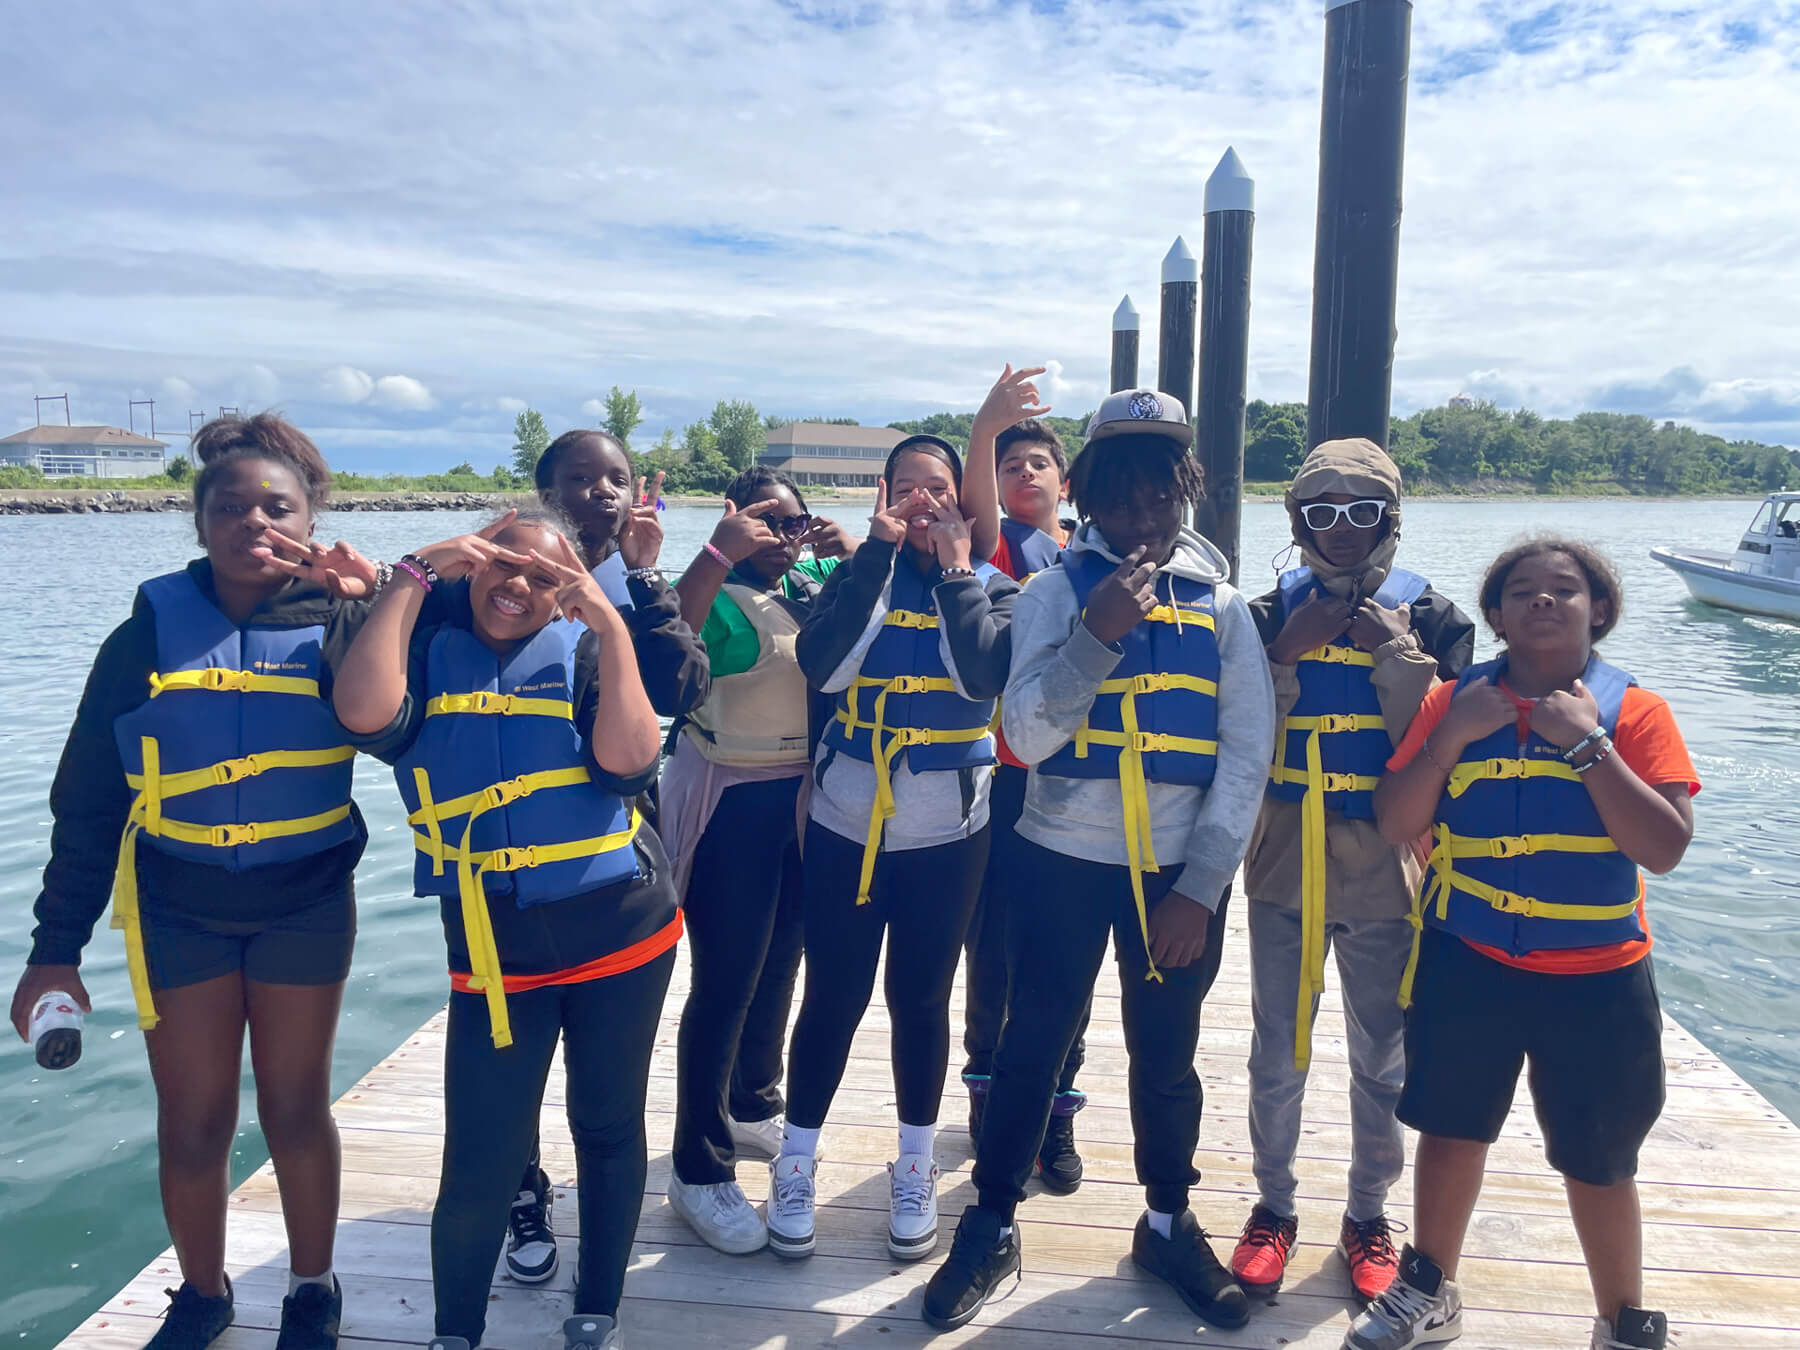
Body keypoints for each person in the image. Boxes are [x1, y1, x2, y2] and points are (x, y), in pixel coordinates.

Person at [9, 414, 375, 1350]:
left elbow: (422, 714)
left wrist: (376, 601)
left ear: (311, 516)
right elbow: (87, 801)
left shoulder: (344, 618)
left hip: (306, 899)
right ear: (200, 522)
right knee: (194, 1117)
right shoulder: (145, 632)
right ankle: (205, 1295)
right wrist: (55, 953)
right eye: (229, 506)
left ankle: (311, 1288)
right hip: (180, 905)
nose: (254, 521)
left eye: (276, 507)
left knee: (297, 1107)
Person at [922, 389, 1276, 1332]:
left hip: (1175, 880)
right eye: (1121, 499)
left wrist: (1200, 887)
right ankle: (992, 1217)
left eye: (1162, 497)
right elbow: (1027, 736)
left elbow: (1247, 757)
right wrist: (1097, 637)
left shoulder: (1228, 610)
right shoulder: (1047, 595)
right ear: (1089, 499)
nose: (1142, 519)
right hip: (1056, 863)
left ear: (1184, 495)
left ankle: (1166, 1221)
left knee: (1167, 1058)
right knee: (1029, 1045)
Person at [332, 509, 679, 1350]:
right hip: (495, 952)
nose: (519, 586)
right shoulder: (424, 650)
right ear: (472, 568)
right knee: (481, 1153)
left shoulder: (587, 648)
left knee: (605, 1123)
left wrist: (607, 623)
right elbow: (362, 716)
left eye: (544, 578)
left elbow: (630, 763)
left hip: (623, 936)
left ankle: (596, 1309)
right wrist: (415, 572)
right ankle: (455, 1333)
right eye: (501, 565)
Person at [1345, 539, 1697, 1350]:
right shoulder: (1455, 702)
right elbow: (1399, 823)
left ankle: (1623, 1318)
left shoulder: (1636, 714)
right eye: (1523, 591)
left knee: (1599, 1155)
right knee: (1451, 1127)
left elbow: (1665, 847)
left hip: (1598, 978)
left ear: (1598, 610)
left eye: (1565, 590)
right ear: (1495, 615)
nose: (1544, 601)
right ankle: (1429, 1286)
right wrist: (1453, 732)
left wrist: (1588, 744)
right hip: (1470, 963)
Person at [1230, 440, 1474, 1306]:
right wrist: (1283, 657)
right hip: (1284, 852)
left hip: (1385, 857)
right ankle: (1273, 1204)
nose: (1340, 530)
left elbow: (1447, 748)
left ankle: (1369, 1213)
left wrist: (1398, 657)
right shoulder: (1261, 615)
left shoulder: (1437, 620)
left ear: (1390, 518)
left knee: (1384, 1049)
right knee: (1277, 1047)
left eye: (1360, 510)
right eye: (1321, 512)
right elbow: (1242, 741)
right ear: (1297, 521)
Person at [766, 434, 1018, 1263]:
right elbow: (826, 668)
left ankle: (914, 1165)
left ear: (960, 503)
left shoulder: (991, 587)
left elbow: (983, 680)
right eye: (904, 487)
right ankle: (795, 1161)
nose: (919, 501)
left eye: (936, 488)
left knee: (921, 1000)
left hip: (949, 835)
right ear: (883, 497)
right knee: (832, 996)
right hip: (848, 822)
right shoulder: (855, 573)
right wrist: (874, 553)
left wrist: (953, 570)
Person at [497, 429, 708, 1284]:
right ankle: (520, 1190)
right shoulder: (496, 579)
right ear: (546, 494)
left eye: (616, 479)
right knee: (508, 1067)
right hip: (500, 874)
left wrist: (646, 579)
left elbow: (682, 689)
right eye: (580, 480)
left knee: (605, 1078)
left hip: (609, 861)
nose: (602, 494)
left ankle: (605, 1215)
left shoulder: (633, 580)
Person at [659, 465, 860, 1254]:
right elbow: (667, 644)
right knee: (726, 980)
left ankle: (751, 1100)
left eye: (795, 523)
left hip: (803, 801)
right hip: (732, 801)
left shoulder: (810, 583)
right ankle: (697, 1166)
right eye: (765, 523)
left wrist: (852, 560)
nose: (782, 538)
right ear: (735, 523)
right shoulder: (717, 593)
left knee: (783, 961)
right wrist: (713, 554)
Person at [957, 378, 1094, 1193]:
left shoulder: (1092, 556)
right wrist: (986, 427)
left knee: (1070, 963)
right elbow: (973, 513)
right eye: (1010, 466)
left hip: (1085, 786)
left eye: (1039, 463)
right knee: (996, 953)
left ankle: (1057, 1114)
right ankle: (988, 1095)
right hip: (1008, 782)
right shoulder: (1001, 553)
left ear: (1065, 481)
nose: (1023, 476)